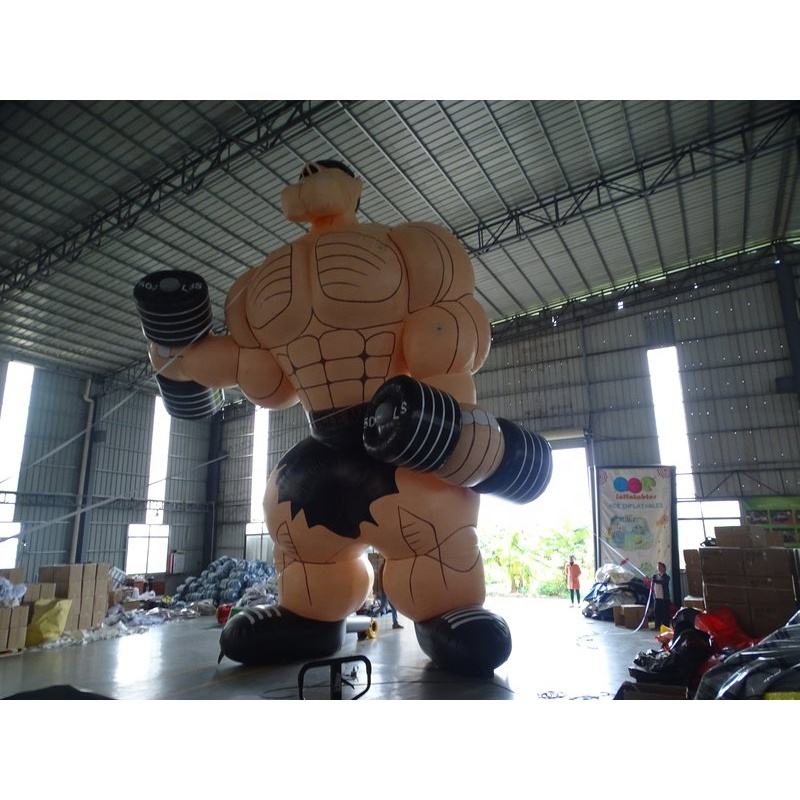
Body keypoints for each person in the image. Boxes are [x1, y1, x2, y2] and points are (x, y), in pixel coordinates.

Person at [651, 561, 671, 630]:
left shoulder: (667, 577)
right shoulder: (655, 576)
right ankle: (657, 626)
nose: (658, 568)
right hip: (657, 598)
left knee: (665, 613)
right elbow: (653, 582)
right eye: (658, 567)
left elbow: (663, 582)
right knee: (657, 613)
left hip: (664, 599)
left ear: (664, 568)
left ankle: (666, 627)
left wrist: (655, 580)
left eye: (660, 567)